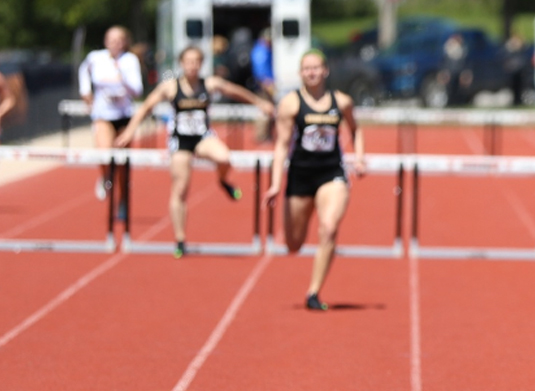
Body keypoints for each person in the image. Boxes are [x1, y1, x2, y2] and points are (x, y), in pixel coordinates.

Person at [114, 47, 275, 258]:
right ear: (181, 63)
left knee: (224, 157)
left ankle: (223, 180)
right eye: (188, 62)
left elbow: (235, 90)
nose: (192, 66)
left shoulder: (209, 83)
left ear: (201, 64)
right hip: (180, 140)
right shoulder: (171, 87)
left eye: (196, 62)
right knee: (180, 189)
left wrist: (259, 102)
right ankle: (180, 239)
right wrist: (130, 131)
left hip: (202, 137)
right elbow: (146, 107)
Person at [265, 49, 367, 310]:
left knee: (329, 227)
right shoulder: (290, 104)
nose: (311, 73)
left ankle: (313, 292)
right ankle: (306, 211)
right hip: (300, 175)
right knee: (293, 244)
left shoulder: (341, 101)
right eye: (306, 68)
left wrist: (359, 157)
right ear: (301, 73)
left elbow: (355, 130)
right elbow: (281, 146)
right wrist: (276, 183)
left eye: (316, 67)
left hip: (331, 173)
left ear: (325, 70)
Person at [79, 26, 143, 202]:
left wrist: (121, 76)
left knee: (122, 162)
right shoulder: (95, 58)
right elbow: (83, 71)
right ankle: (106, 176)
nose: (115, 43)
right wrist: (86, 92)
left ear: (124, 42)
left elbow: (137, 90)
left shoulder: (130, 60)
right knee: (104, 153)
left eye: (118, 39)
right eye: (111, 39)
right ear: (105, 41)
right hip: (102, 115)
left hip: (123, 115)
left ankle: (123, 198)